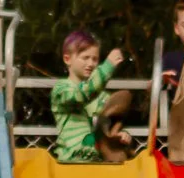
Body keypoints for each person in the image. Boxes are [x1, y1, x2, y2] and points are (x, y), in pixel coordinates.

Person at [51, 31, 132, 164]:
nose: (91, 63)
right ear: (67, 59)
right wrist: (107, 68)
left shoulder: (102, 97)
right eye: (85, 57)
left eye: (95, 59)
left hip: (98, 164)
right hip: (70, 163)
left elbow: (108, 128)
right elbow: (81, 95)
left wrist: (119, 137)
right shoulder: (61, 89)